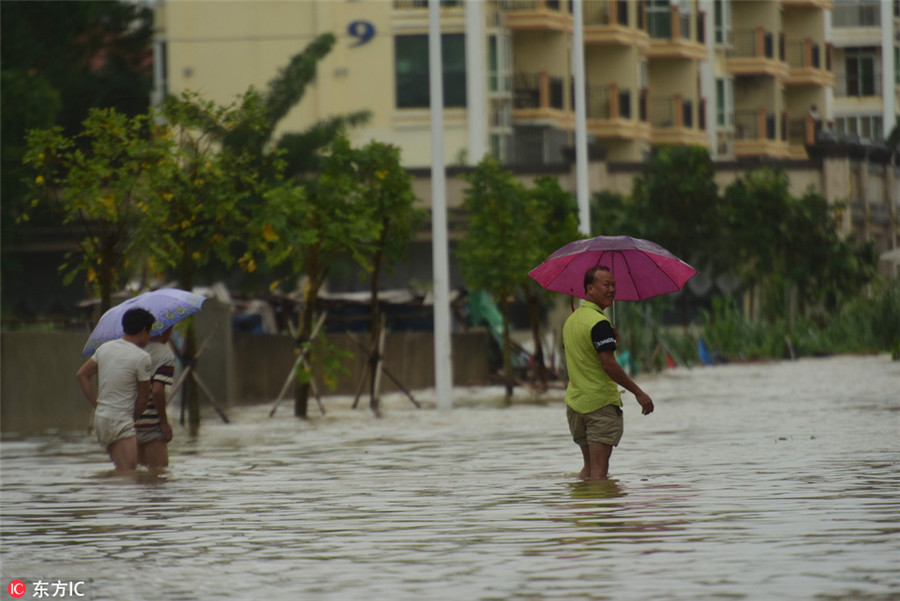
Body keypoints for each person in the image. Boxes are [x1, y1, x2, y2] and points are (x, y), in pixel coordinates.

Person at [562, 266, 654, 480]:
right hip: (599, 405)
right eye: (606, 285)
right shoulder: (599, 323)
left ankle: (583, 510)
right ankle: (600, 513)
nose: (612, 289)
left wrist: (609, 340)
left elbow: (585, 356)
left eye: (613, 284)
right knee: (599, 475)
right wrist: (638, 392)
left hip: (575, 404)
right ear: (590, 289)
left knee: (587, 471)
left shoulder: (572, 320)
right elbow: (608, 364)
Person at [75, 308, 155, 474]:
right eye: (150, 331)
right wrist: (132, 419)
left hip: (101, 420)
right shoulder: (142, 357)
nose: (150, 337)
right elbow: (143, 398)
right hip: (121, 421)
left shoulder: (105, 348)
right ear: (144, 330)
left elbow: (82, 375)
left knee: (121, 472)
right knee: (128, 477)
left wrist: (98, 405)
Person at [135, 327, 176, 470]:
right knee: (159, 476)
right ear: (167, 330)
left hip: (131, 424)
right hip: (152, 424)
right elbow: (158, 390)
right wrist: (164, 422)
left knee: (138, 479)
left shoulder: (131, 350)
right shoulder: (164, 354)